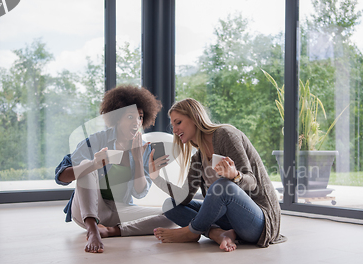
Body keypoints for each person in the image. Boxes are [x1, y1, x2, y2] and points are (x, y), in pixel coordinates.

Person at [150, 98, 286, 252]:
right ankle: (217, 233)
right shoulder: (198, 157)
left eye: (178, 122)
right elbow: (184, 197)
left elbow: (251, 181)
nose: (174, 130)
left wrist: (234, 175)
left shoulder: (226, 135)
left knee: (222, 186)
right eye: (173, 125)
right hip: (231, 222)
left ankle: (191, 232)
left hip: (259, 222)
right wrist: (156, 178)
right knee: (170, 204)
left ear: (194, 117)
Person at [55, 85, 177, 253]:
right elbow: (61, 176)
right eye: (130, 116)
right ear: (117, 117)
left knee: (172, 215)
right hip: (88, 211)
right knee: (86, 166)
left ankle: (110, 231)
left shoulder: (143, 148)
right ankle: (93, 230)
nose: (136, 123)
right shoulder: (98, 140)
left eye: (140, 117)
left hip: (119, 210)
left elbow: (139, 192)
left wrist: (137, 160)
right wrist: (93, 164)